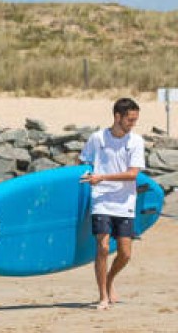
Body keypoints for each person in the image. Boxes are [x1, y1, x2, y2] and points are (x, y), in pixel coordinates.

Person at [80, 97, 146, 311]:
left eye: (135, 120)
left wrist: (103, 177)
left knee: (125, 254)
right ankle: (103, 297)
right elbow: (84, 164)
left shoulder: (136, 142)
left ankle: (109, 279)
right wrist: (89, 178)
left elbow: (132, 174)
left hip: (125, 201)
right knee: (103, 246)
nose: (133, 124)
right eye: (130, 119)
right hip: (101, 199)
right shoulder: (97, 138)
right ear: (117, 117)